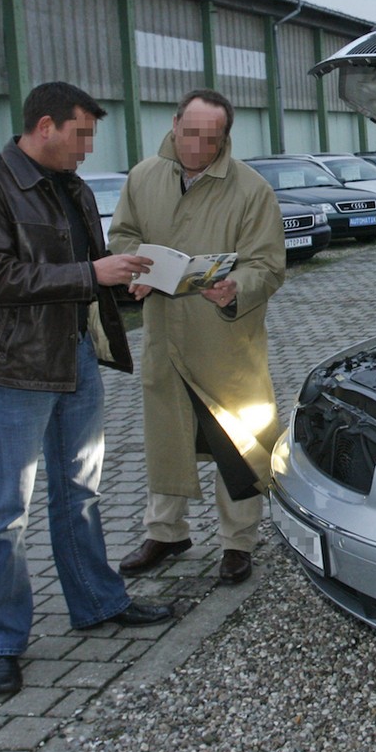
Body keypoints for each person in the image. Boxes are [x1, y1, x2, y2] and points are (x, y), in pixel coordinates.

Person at [0, 82, 173, 700]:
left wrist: (122, 279)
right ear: (44, 126)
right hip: (9, 370)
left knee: (80, 491)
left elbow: (83, 266)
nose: (88, 147)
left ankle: (97, 603)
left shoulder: (70, 186)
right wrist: (88, 274)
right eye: (81, 134)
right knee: (5, 511)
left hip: (73, 356)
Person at [107, 89, 286, 587]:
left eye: (211, 139)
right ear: (174, 123)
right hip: (164, 339)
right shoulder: (143, 178)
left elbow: (268, 266)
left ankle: (238, 543)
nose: (197, 147)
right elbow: (121, 235)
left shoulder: (251, 190)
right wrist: (134, 268)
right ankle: (165, 531)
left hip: (224, 343)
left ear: (225, 137)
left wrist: (236, 289)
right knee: (167, 439)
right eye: (190, 134)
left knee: (237, 443)